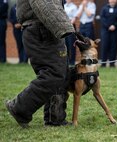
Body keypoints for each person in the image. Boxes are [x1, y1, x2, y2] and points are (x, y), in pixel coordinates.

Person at [5, 0, 75, 128]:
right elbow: (43, 3)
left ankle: (55, 118)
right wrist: (63, 27)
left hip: (47, 28)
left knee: (61, 73)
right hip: (41, 29)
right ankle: (19, 108)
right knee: (53, 74)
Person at [100, 0, 117, 67]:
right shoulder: (104, 8)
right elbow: (102, 18)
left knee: (113, 47)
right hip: (105, 30)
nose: (113, 1)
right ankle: (103, 63)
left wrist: (114, 25)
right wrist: (108, 26)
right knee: (104, 46)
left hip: (115, 30)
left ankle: (112, 63)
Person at [64, 0, 78, 65]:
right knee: (65, 45)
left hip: (71, 27)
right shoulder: (63, 6)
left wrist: (68, 24)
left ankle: (72, 62)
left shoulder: (74, 7)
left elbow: (74, 19)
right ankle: (65, 61)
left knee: (71, 45)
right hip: (64, 28)